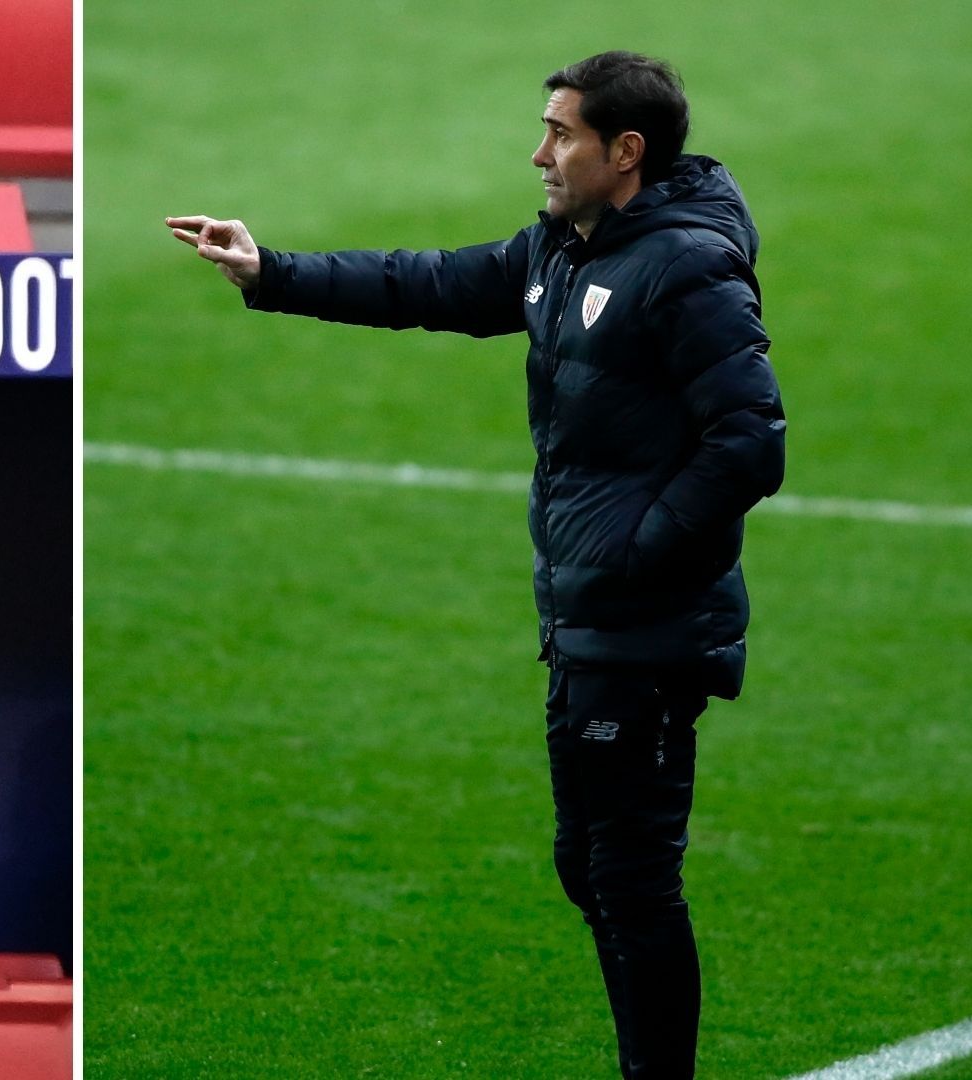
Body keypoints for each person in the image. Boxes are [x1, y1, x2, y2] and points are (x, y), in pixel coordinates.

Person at [167, 51, 785, 1079]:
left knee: (629, 880)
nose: (538, 153)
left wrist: (636, 554)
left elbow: (751, 442)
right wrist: (271, 270)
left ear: (625, 152)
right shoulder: (564, 249)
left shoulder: (686, 268)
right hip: (587, 621)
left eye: (562, 134)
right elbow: (428, 283)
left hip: (645, 628)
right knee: (590, 869)